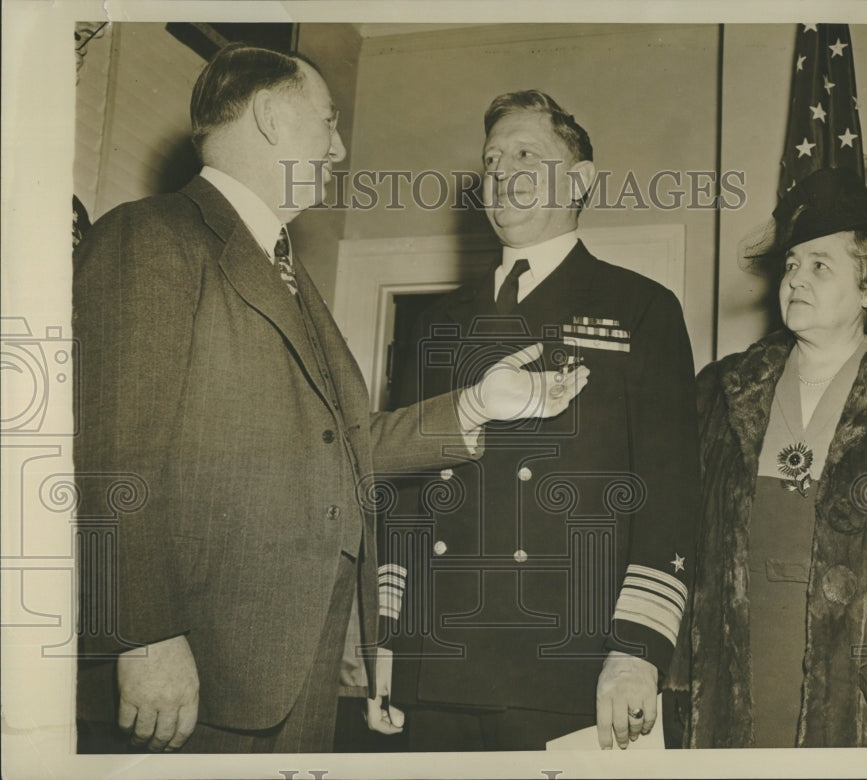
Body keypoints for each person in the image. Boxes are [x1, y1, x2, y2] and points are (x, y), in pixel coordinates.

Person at [73, 45, 588, 754]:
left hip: (292, 674)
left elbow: (344, 447)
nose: (340, 147)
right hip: (191, 667)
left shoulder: (287, 271)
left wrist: (473, 407)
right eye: (328, 122)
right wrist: (143, 636)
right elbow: (112, 457)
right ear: (271, 118)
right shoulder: (150, 236)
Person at [378, 90, 701, 751]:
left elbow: (670, 493)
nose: (501, 171)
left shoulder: (640, 308)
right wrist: (387, 638)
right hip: (435, 664)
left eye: (526, 153)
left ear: (580, 180)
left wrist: (639, 648)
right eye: (492, 159)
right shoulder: (435, 323)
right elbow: (404, 499)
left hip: (572, 670)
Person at [680, 167, 867, 747]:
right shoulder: (720, 390)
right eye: (791, 264)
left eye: (819, 265)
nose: (796, 279)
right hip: (738, 662)